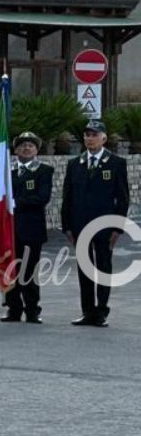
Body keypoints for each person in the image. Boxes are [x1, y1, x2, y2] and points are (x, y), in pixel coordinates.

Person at [59, 118, 129, 327]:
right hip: (80, 225)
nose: (90, 138)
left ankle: (101, 311)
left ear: (104, 138)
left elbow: (123, 198)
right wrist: (67, 227)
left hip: (104, 226)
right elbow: (67, 197)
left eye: (95, 135)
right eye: (87, 135)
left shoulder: (116, 163)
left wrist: (117, 228)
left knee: (103, 268)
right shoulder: (75, 163)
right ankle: (87, 311)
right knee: (84, 269)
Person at [3, 132, 52, 325]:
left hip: (31, 230)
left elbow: (42, 197)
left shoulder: (44, 171)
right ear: (15, 150)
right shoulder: (7, 172)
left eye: (30, 145)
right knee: (10, 271)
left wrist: (14, 202)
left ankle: (32, 310)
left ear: (36, 149)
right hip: (9, 230)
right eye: (22, 145)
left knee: (29, 272)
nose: (26, 148)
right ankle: (13, 309)